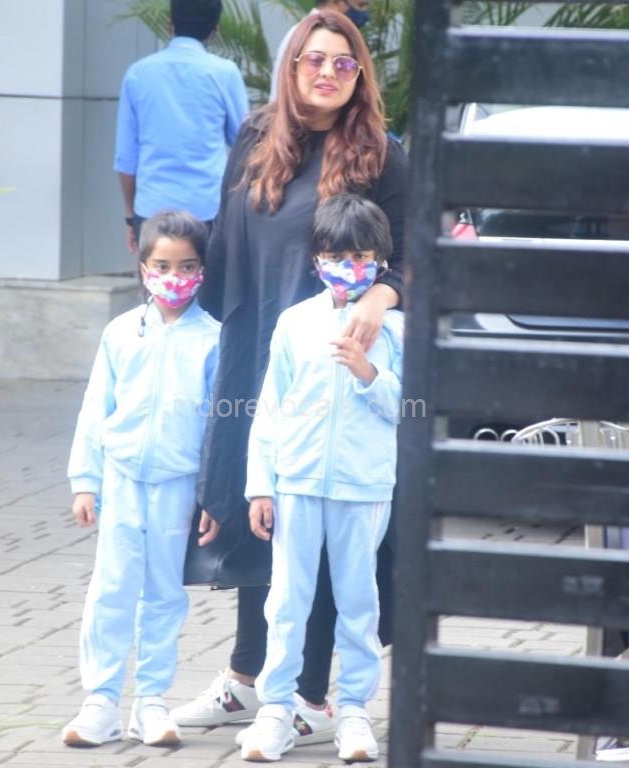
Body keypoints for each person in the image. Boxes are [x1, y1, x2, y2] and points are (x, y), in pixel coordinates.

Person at [170, 9, 406, 749]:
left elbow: (414, 255)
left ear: (359, 74)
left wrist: (379, 297)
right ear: (292, 65)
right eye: (315, 60)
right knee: (261, 507)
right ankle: (249, 678)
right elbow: (222, 240)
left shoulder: (380, 155)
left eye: (344, 62)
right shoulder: (256, 137)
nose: (329, 72)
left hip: (338, 363)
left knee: (324, 522)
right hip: (257, 346)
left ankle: (310, 695)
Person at [239, 193, 402, 763]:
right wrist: (260, 485)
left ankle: (353, 711)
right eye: (336, 257)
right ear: (316, 260)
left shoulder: (396, 329)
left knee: (359, 601)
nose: (348, 268)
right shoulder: (295, 322)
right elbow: (270, 405)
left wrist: (368, 373)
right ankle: (275, 710)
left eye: (360, 257)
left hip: (364, 486)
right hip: (296, 482)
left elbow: (410, 408)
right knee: (287, 599)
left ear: (381, 261)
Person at [62, 211, 220, 748]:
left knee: (164, 592)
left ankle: (151, 701)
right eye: (163, 265)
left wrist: (213, 495)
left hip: (179, 487)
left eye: (187, 266)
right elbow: (95, 407)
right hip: (122, 480)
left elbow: (218, 427)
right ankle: (100, 701)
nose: (174, 276)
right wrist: (86, 480)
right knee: (112, 588)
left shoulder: (214, 339)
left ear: (203, 269)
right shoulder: (120, 333)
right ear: (143, 266)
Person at [114, 0, 248, 251]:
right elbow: (243, 141)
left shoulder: (137, 73)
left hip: (152, 209)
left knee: (158, 277)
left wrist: (130, 215)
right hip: (208, 210)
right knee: (207, 278)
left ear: (170, 24)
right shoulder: (225, 73)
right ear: (214, 31)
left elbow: (126, 158)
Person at [269, 0, 371, 102]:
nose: (328, 72)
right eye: (315, 61)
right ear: (336, 2)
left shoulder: (340, 35)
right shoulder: (307, 35)